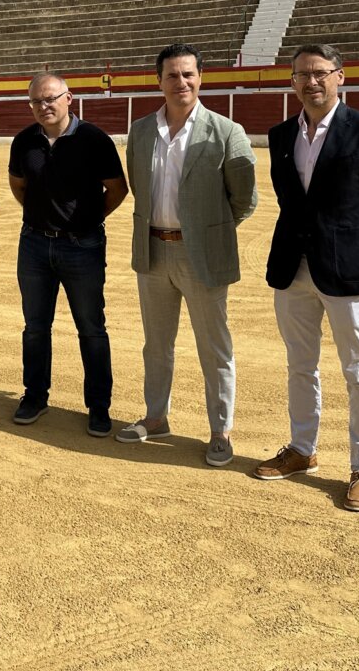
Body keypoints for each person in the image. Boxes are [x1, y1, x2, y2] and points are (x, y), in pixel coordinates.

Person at [254, 44, 359, 513]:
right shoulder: (282, 135)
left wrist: (357, 248)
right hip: (293, 268)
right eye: (302, 74)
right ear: (292, 82)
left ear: (340, 77)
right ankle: (303, 449)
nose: (311, 82)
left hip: (348, 272)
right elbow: (290, 203)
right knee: (300, 364)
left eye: (320, 73)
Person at [116, 44, 257, 467]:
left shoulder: (226, 130)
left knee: (214, 347)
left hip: (202, 255)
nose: (182, 83)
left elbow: (244, 199)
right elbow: (140, 187)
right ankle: (156, 417)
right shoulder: (141, 131)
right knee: (156, 344)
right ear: (159, 81)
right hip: (154, 249)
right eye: (173, 76)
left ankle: (221, 429)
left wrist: (205, 232)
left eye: (189, 74)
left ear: (201, 78)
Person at [9, 73, 127, 434]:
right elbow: (19, 186)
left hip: (83, 245)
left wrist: (86, 220)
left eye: (50, 99)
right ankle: (35, 395)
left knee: (91, 328)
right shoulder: (24, 141)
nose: (43, 107)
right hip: (33, 244)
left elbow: (117, 189)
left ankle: (98, 405)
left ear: (68, 98)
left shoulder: (94, 139)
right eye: (35, 102)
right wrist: (43, 218)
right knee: (35, 327)